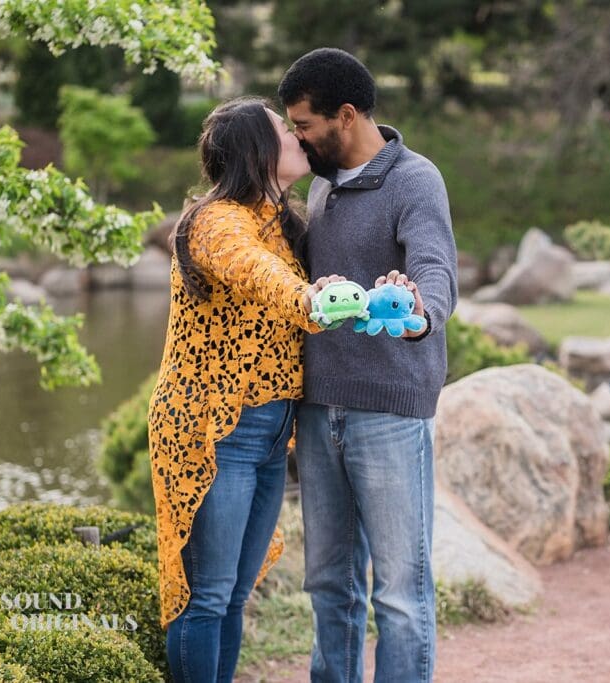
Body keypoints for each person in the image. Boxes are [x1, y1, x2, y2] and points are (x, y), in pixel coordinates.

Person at [147, 96, 345, 683]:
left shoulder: (282, 222)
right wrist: (308, 299)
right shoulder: (216, 220)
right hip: (214, 431)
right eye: (286, 131)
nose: (299, 137)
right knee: (204, 597)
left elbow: (278, 272)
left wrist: (321, 286)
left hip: (268, 433)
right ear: (258, 151)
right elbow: (252, 270)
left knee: (233, 595)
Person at [279, 48, 459, 682]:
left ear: (345, 115)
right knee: (330, 585)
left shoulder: (415, 180)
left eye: (303, 124)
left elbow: (434, 268)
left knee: (400, 597)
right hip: (319, 404)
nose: (297, 137)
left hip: (388, 410)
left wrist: (418, 312)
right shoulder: (323, 184)